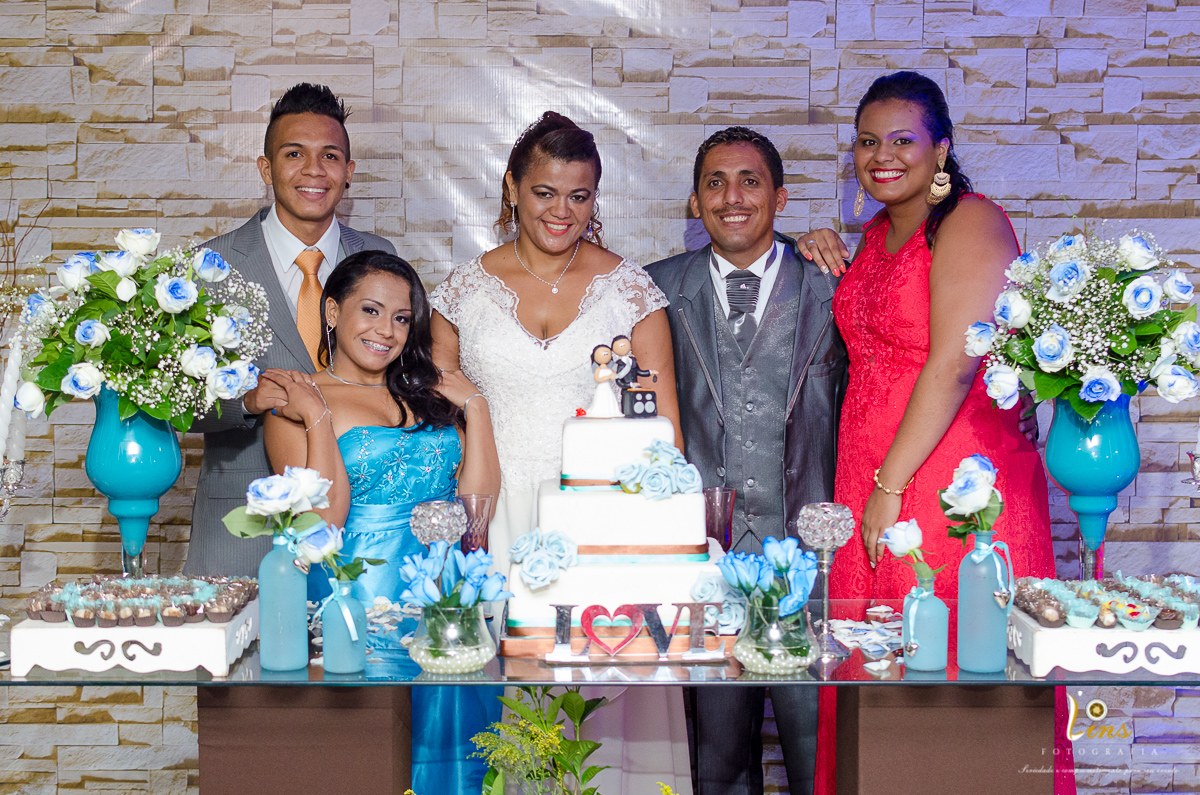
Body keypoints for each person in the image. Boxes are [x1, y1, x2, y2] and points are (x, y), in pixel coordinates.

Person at [797, 71, 1057, 794]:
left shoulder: (972, 220)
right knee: (876, 691)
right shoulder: (877, 232)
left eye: (903, 139)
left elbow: (951, 364)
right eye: (868, 141)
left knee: (948, 679)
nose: (882, 155)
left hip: (949, 483)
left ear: (941, 148)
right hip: (871, 478)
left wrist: (889, 487)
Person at [429, 111, 690, 794]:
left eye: (580, 195)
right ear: (512, 187)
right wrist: (463, 529)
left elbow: (666, 433)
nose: (562, 211)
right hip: (495, 521)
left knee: (606, 715)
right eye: (545, 192)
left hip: (602, 527)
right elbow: (436, 427)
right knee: (507, 714)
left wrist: (644, 549)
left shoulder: (631, 291)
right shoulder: (460, 291)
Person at [646, 127, 846, 795]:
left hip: (812, 565)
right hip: (703, 568)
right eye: (715, 183)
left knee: (822, 755)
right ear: (695, 204)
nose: (733, 197)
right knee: (718, 764)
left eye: (750, 180)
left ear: (780, 196)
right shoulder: (654, 290)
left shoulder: (830, 284)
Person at [262, 250, 502, 793]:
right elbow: (323, 519)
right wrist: (321, 415)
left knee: (455, 752)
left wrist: (478, 408)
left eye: (401, 319)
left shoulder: (426, 395)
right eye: (370, 311)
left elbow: (477, 510)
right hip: (360, 603)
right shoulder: (292, 401)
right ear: (331, 311)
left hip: (445, 601)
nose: (386, 331)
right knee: (366, 759)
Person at [184, 82, 396, 577]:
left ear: (348, 171)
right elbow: (175, 405)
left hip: (358, 533)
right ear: (266, 168)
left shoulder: (380, 259)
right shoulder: (210, 268)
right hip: (241, 530)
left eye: (330, 156)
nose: (314, 170)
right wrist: (244, 399)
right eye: (294, 153)